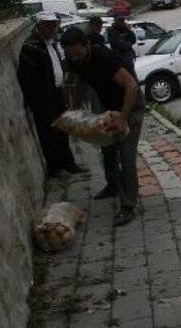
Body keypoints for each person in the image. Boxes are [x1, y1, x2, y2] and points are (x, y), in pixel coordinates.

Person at [61, 28, 145, 226]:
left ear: (86, 46)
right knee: (107, 150)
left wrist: (123, 118)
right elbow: (81, 81)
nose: (74, 58)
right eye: (70, 55)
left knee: (126, 155)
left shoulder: (103, 58)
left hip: (130, 107)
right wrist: (75, 110)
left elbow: (131, 86)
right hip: (108, 107)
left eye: (78, 53)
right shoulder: (77, 61)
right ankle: (112, 186)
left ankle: (127, 206)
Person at [17, 11, 83, 178]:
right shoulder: (31, 47)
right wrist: (37, 101)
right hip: (43, 98)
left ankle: (69, 163)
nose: (53, 28)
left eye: (54, 25)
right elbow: (27, 78)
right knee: (48, 134)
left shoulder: (51, 43)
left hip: (57, 93)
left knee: (63, 131)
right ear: (39, 26)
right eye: (48, 25)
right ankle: (55, 168)